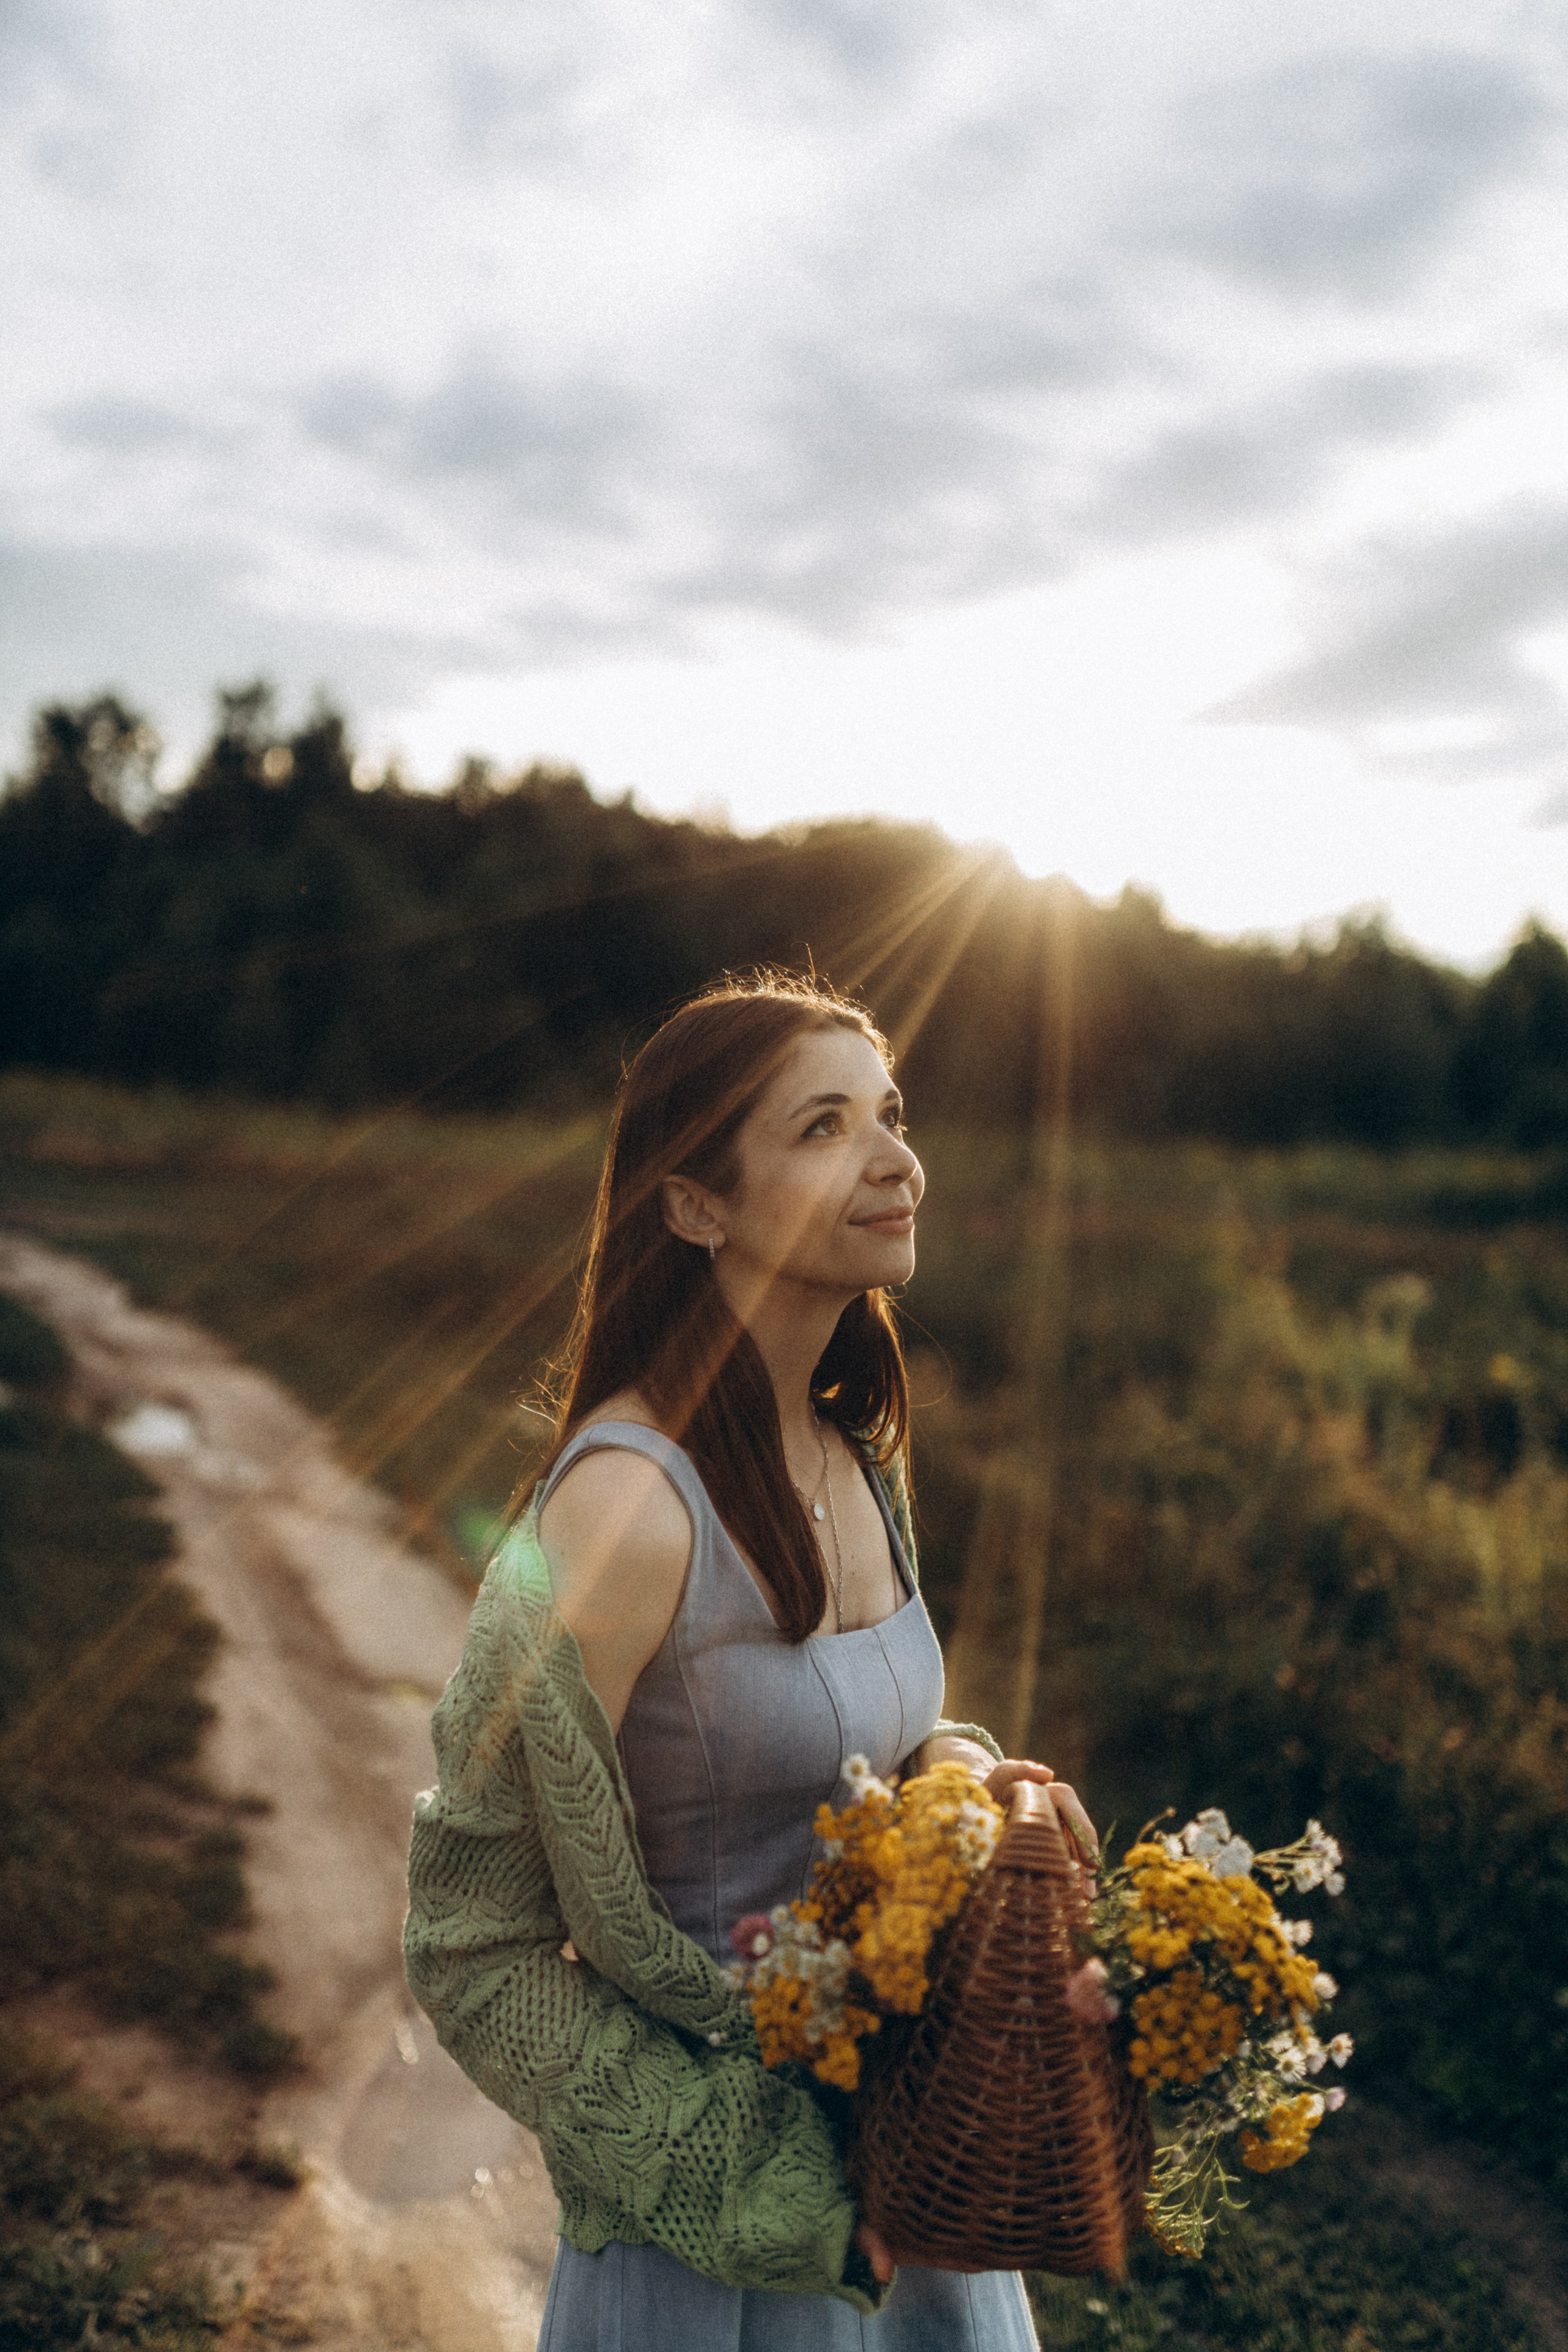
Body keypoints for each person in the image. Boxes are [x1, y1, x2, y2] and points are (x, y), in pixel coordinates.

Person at [405, 971, 1098, 2350]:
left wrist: (961, 1781)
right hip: (715, 2249)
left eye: (890, 1115)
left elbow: (852, 1743)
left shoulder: (856, 1450)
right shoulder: (624, 1507)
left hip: (916, 2186)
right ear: (693, 1205)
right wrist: (765, 2181)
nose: (894, 1161)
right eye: (823, 1127)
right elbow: (472, 1945)